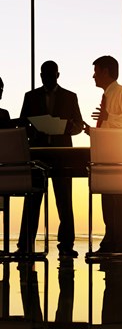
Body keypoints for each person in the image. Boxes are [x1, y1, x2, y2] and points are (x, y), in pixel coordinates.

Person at [17, 60, 84, 257]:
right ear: (41, 75)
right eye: (43, 74)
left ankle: (66, 245)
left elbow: (79, 125)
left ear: (57, 75)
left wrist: (69, 127)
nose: (46, 77)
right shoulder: (30, 97)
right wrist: (34, 129)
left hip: (62, 154)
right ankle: (26, 244)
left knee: (64, 200)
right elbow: (22, 123)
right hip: (38, 153)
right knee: (33, 199)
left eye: (50, 74)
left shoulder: (70, 97)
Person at [84, 55, 122, 253]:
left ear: (106, 71)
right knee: (107, 198)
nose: (93, 76)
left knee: (120, 199)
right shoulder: (108, 95)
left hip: (120, 155)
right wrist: (94, 131)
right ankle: (111, 239)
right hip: (107, 153)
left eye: (96, 71)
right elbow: (113, 126)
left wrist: (109, 117)